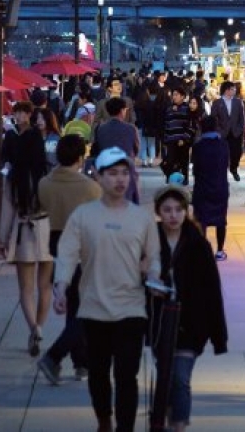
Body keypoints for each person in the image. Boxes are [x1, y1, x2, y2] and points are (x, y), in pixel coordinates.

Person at [53, 146, 161, 432]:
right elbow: (66, 253)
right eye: (112, 174)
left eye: (125, 173)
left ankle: (125, 427)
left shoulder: (142, 218)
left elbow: (155, 256)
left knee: (127, 376)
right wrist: (61, 286)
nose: (120, 180)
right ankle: (104, 419)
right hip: (94, 308)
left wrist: (153, 275)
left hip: (131, 309)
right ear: (98, 177)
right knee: (98, 374)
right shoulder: (83, 216)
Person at [151, 185, 228, 431]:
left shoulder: (198, 245)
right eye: (167, 210)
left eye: (178, 210)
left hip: (191, 325)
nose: (173, 215)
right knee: (166, 375)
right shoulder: (150, 241)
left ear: (186, 212)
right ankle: (169, 413)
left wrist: (218, 336)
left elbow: (212, 292)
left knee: (180, 378)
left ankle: (178, 425)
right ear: (159, 212)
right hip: (160, 324)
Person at [37, 135, 103, 384]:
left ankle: (81, 363)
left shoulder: (45, 183)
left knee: (75, 307)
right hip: (83, 251)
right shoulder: (90, 187)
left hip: (56, 248)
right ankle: (54, 356)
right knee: (87, 311)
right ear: (80, 157)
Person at [0, 101, 53, 357]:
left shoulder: (13, 179)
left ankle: (34, 328)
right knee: (45, 287)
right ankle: (40, 326)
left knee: (26, 289)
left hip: (24, 228)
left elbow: (7, 209)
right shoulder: (47, 176)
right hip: (46, 229)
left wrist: (2, 238)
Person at [191, 116, 230, 261]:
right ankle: (220, 251)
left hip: (202, 187)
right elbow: (226, 164)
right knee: (221, 219)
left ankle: (202, 251)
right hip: (220, 187)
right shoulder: (223, 145)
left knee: (202, 220)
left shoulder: (198, 146)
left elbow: (196, 169)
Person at [91, 97, 140, 203]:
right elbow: (135, 149)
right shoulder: (131, 129)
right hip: (126, 171)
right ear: (122, 111)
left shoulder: (100, 129)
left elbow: (96, 149)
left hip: (106, 172)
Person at [212, 81, 245, 182]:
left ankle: (234, 168)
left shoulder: (238, 102)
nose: (235, 91)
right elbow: (214, 118)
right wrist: (218, 130)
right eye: (233, 89)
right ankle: (222, 172)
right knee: (222, 154)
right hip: (222, 133)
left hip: (236, 132)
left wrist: (240, 129)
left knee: (237, 153)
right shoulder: (217, 103)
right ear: (227, 90)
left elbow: (242, 118)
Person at [162, 86, 195, 185]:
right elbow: (166, 124)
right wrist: (165, 139)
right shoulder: (169, 109)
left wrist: (184, 138)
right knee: (170, 162)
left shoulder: (187, 109)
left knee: (183, 162)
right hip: (171, 140)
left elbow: (191, 125)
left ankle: (184, 181)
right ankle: (170, 180)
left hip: (183, 141)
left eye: (176, 95)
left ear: (183, 96)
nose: (174, 97)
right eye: (173, 95)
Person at [35, 107, 62, 172]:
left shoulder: (56, 139)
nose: (39, 121)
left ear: (49, 120)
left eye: (43, 118)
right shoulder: (33, 136)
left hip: (52, 173)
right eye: (38, 118)